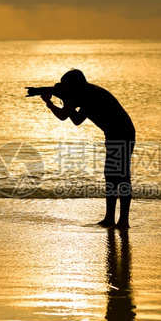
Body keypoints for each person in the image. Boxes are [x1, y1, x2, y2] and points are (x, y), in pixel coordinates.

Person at [41, 69, 135, 229]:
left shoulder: (90, 95)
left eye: (66, 86)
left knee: (121, 177)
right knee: (111, 177)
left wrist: (61, 104)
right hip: (113, 134)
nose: (65, 90)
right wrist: (53, 103)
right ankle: (110, 219)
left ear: (74, 84)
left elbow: (76, 119)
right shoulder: (84, 92)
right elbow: (65, 115)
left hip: (122, 133)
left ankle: (123, 221)